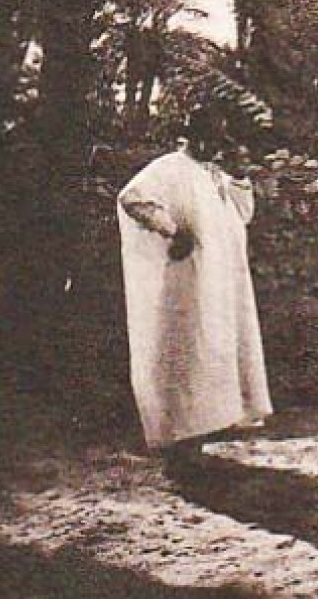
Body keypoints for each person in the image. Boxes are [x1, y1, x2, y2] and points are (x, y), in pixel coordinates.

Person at [116, 105, 272, 470]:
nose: (216, 146)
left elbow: (243, 214)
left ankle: (200, 439)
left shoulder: (214, 174)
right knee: (187, 355)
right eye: (210, 137)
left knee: (210, 354)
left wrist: (240, 176)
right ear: (193, 136)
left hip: (216, 283)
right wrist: (171, 229)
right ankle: (182, 445)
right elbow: (131, 198)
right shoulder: (168, 168)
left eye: (219, 138)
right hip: (185, 282)